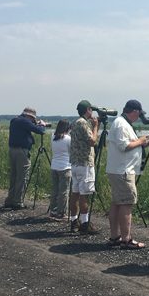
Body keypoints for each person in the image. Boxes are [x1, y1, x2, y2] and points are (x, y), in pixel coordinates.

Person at [106, 99, 149, 249]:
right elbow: (124, 146)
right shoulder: (121, 124)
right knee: (126, 203)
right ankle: (126, 240)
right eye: (139, 115)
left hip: (118, 169)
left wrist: (145, 142)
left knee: (117, 203)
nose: (139, 118)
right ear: (134, 112)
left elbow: (129, 144)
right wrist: (140, 141)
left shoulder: (122, 123)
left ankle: (115, 237)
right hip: (123, 170)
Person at [4, 107, 47, 210]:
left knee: (14, 176)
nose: (33, 121)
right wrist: (42, 125)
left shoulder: (14, 120)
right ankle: (17, 201)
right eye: (33, 118)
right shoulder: (24, 121)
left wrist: (33, 124)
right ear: (29, 116)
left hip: (12, 150)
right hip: (22, 152)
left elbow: (26, 128)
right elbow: (40, 131)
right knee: (22, 176)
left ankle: (10, 199)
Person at [68, 100, 100, 234]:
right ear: (87, 110)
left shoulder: (75, 123)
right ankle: (85, 223)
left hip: (75, 163)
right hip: (85, 163)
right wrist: (95, 126)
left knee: (75, 193)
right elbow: (92, 141)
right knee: (84, 195)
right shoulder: (83, 123)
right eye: (90, 109)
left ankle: (74, 221)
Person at [49, 119, 71, 221]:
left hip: (54, 166)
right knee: (64, 191)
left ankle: (53, 210)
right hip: (65, 167)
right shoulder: (67, 139)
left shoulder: (53, 136)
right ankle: (61, 212)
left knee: (55, 190)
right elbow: (71, 152)